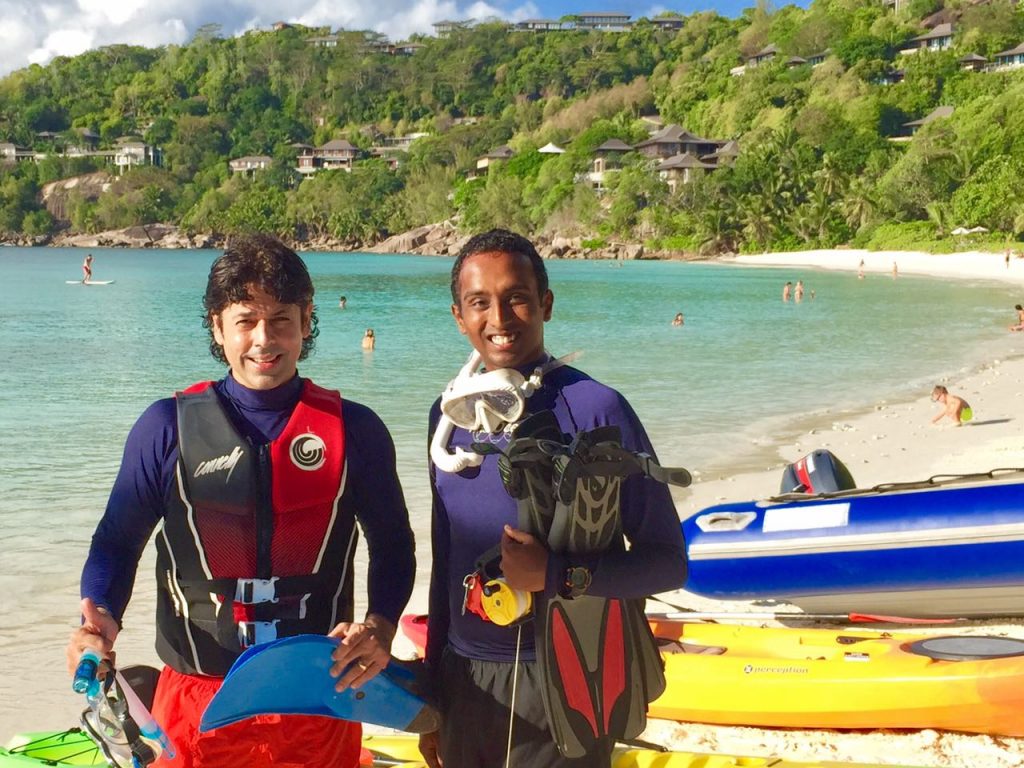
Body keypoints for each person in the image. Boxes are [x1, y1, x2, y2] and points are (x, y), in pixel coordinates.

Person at [66, 235, 415, 768]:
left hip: (316, 699)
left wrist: (382, 626)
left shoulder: (356, 430)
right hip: (197, 701)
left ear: (306, 320)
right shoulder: (165, 429)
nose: (263, 339)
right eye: (245, 320)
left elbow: (393, 544)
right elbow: (117, 541)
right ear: (217, 326)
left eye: (280, 319)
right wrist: (99, 622)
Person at [420, 229, 686, 768]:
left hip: (570, 678)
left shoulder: (596, 410)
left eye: (517, 296)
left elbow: (668, 563)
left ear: (546, 303)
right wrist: (431, 693)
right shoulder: (447, 419)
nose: (499, 318)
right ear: (458, 316)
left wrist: (558, 575)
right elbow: (444, 563)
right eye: (479, 302)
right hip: (465, 678)